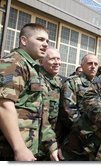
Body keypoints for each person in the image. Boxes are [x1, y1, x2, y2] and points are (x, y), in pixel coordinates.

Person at [0, 23, 59, 161]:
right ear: (24, 41)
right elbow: (3, 105)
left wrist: (51, 146)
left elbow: (40, 113)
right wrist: (19, 148)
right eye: (40, 39)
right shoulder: (14, 62)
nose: (45, 44)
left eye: (47, 41)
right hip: (9, 151)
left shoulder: (33, 68)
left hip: (29, 149)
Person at [56, 53, 99, 160]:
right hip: (75, 139)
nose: (93, 66)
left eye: (96, 64)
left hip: (95, 141)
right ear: (82, 65)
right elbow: (69, 111)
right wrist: (87, 130)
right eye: (89, 63)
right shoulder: (72, 83)